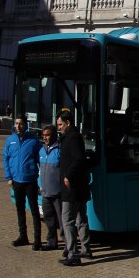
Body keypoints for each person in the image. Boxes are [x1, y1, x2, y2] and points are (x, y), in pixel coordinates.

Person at [57, 110, 92, 266]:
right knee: (81, 219)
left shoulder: (72, 137)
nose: (58, 127)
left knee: (67, 220)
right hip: (79, 188)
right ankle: (86, 250)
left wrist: (67, 176)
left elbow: (78, 159)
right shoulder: (72, 136)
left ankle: (73, 254)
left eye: (60, 124)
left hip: (71, 188)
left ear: (68, 123)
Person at [3, 114, 42, 249]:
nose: (18, 126)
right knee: (20, 210)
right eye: (16, 124)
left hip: (30, 180)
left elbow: (40, 159)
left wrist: (41, 178)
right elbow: (6, 158)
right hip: (16, 181)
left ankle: (37, 239)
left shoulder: (33, 140)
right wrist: (8, 177)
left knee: (34, 210)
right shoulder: (10, 140)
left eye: (20, 124)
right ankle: (23, 236)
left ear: (26, 125)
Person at [39, 124, 63, 251]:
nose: (45, 137)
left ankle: (68, 246)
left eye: (47, 135)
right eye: (43, 135)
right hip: (45, 192)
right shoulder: (42, 150)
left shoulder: (59, 150)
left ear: (53, 135)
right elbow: (41, 170)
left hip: (57, 193)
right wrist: (40, 185)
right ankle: (52, 242)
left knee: (61, 221)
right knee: (49, 219)